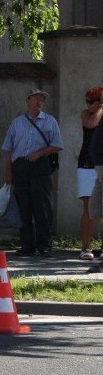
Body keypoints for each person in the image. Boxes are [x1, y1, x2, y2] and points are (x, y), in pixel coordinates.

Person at [1, 89, 64, 258]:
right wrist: (9, 172)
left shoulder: (50, 121)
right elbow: (8, 149)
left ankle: (44, 246)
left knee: (42, 206)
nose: (39, 102)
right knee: (24, 207)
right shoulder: (17, 123)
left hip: (40, 166)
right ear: (28, 101)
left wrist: (41, 153)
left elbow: (57, 145)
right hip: (20, 166)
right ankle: (27, 245)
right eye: (36, 99)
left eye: (41, 99)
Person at [77, 86, 103, 260]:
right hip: (86, 165)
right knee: (88, 206)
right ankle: (86, 248)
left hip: (101, 165)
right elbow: (92, 123)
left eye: (91, 101)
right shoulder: (87, 114)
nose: (87, 104)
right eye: (87, 100)